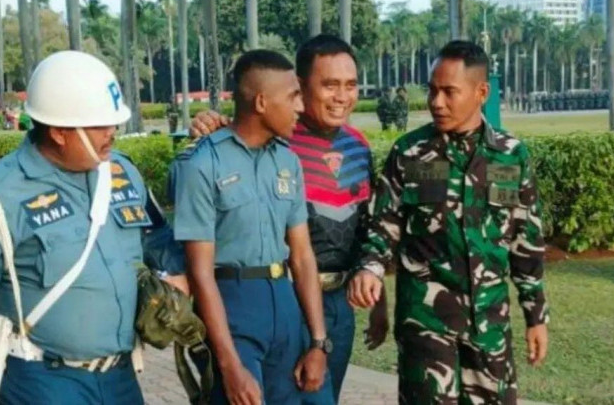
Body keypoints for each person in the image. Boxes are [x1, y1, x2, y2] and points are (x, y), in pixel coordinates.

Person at [0, 51, 187, 404]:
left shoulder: (121, 172)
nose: (112, 133)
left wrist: (173, 269)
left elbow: (156, 233)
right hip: (43, 383)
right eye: (100, 125)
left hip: (121, 379)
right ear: (60, 132)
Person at [189, 35, 389, 404]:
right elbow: (232, 145)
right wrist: (208, 124)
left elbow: (369, 228)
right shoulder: (276, 138)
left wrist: (380, 301)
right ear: (299, 85)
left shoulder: (358, 146)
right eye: (329, 85)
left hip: (338, 304)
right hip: (285, 299)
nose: (342, 97)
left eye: (350, 85)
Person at [348, 40, 549, 405]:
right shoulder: (410, 153)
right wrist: (370, 268)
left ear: (481, 92)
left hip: (489, 324)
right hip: (427, 322)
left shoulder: (510, 155)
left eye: (449, 91)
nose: (436, 102)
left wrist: (535, 315)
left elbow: (525, 240)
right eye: (432, 90)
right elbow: (383, 224)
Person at [172, 50, 328, 405]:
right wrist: (229, 364)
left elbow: (302, 257)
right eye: (293, 96)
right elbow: (200, 271)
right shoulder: (201, 164)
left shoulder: (288, 161)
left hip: (284, 305)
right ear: (261, 101)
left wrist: (318, 342)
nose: (301, 107)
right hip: (232, 307)